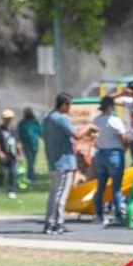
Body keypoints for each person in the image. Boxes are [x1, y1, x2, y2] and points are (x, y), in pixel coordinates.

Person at [42, 93, 96, 235]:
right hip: (63, 162)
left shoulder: (47, 118)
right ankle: (57, 223)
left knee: (54, 193)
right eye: (69, 105)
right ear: (64, 104)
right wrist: (89, 126)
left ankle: (49, 221)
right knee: (61, 194)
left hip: (53, 160)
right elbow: (76, 135)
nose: (69, 108)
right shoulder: (60, 118)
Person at [92, 96, 128, 226]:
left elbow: (94, 137)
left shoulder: (96, 120)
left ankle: (99, 214)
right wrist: (126, 147)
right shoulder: (115, 121)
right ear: (110, 107)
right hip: (114, 153)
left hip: (100, 153)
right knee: (116, 188)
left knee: (100, 187)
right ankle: (118, 214)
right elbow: (123, 137)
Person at [0, 110, 19, 199]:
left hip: (12, 155)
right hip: (3, 155)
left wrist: (20, 154)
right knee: (2, 173)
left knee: (13, 173)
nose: (8, 120)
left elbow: (17, 142)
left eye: (10, 118)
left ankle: (11, 190)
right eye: (7, 118)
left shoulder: (14, 129)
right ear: (3, 118)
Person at [18, 108, 41, 185]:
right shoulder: (22, 123)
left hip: (34, 144)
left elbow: (40, 132)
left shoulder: (35, 123)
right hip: (26, 144)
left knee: (32, 162)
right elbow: (19, 134)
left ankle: (30, 176)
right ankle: (32, 179)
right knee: (30, 161)